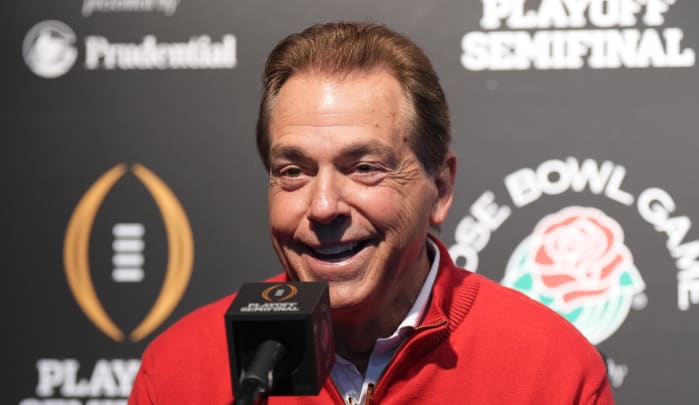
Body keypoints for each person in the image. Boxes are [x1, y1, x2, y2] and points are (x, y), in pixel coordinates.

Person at [129, 22, 613, 404]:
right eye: (294, 171)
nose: (322, 207)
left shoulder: (552, 371)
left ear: (440, 189)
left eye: (363, 168)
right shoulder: (180, 372)